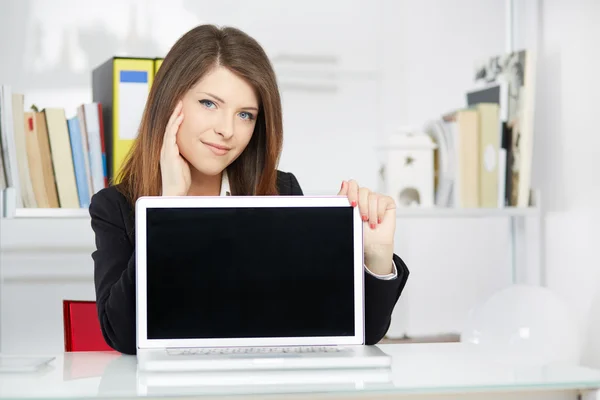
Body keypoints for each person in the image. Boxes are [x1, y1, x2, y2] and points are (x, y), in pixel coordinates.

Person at [90, 24, 410, 355]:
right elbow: (123, 336)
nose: (227, 130)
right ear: (170, 101)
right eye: (209, 104)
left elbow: (359, 332)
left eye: (245, 115)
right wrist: (167, 209)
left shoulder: (279, 191)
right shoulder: (115, 207)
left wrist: (375, 254)